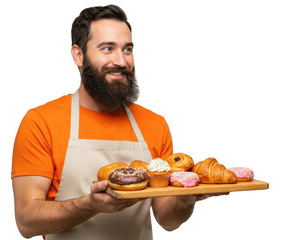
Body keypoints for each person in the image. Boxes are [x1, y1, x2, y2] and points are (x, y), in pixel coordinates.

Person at [11, 4, 228, 240]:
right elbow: (26, 221)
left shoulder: (155, 125)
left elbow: (167, 219)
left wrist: (185, 201)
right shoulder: (41, 122)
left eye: (127, 49)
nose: (121, 61)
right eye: (107, 48)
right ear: (78, 55)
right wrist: (89, 205)